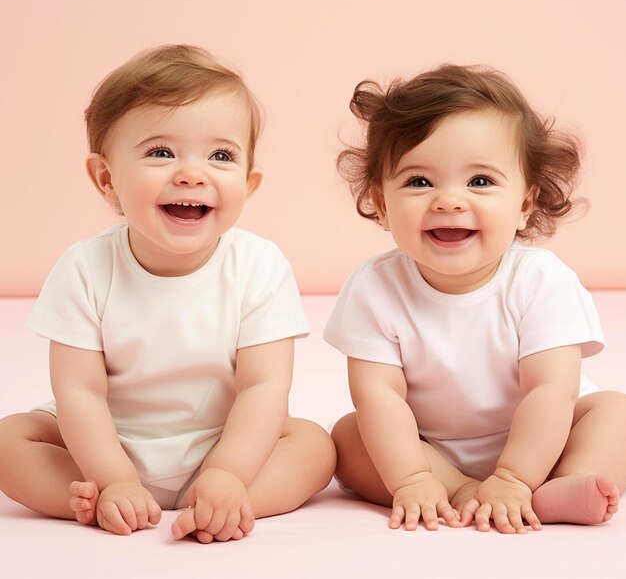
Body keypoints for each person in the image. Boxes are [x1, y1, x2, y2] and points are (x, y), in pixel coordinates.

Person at [0, 44, 336, 543]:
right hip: (102, 444)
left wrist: (227, 472)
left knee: (314, 446)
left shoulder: (258, 266)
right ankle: (103, 498)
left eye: (221, 155)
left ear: (250, 182)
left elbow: (262, 388)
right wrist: (111, 473)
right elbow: (80, 391)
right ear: (106, 179)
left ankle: (222, 501)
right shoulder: (86, 267)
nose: (191, 173)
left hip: (222, 441)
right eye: (161, 152)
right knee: (9, 442)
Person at [324, 64, 626, 534]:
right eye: (419, 182)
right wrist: (411, 476)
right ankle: (458, 492)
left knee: (613, 412)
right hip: (427, 445)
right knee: (348, 436)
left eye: (480, 182)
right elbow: (378, 395)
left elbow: (552, 391)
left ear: (525, 204)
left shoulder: (541, 280)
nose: (448, 200)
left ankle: (565, 483)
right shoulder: (374, 286)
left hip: (545, 437)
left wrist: (514, 476)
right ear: (381, 205)